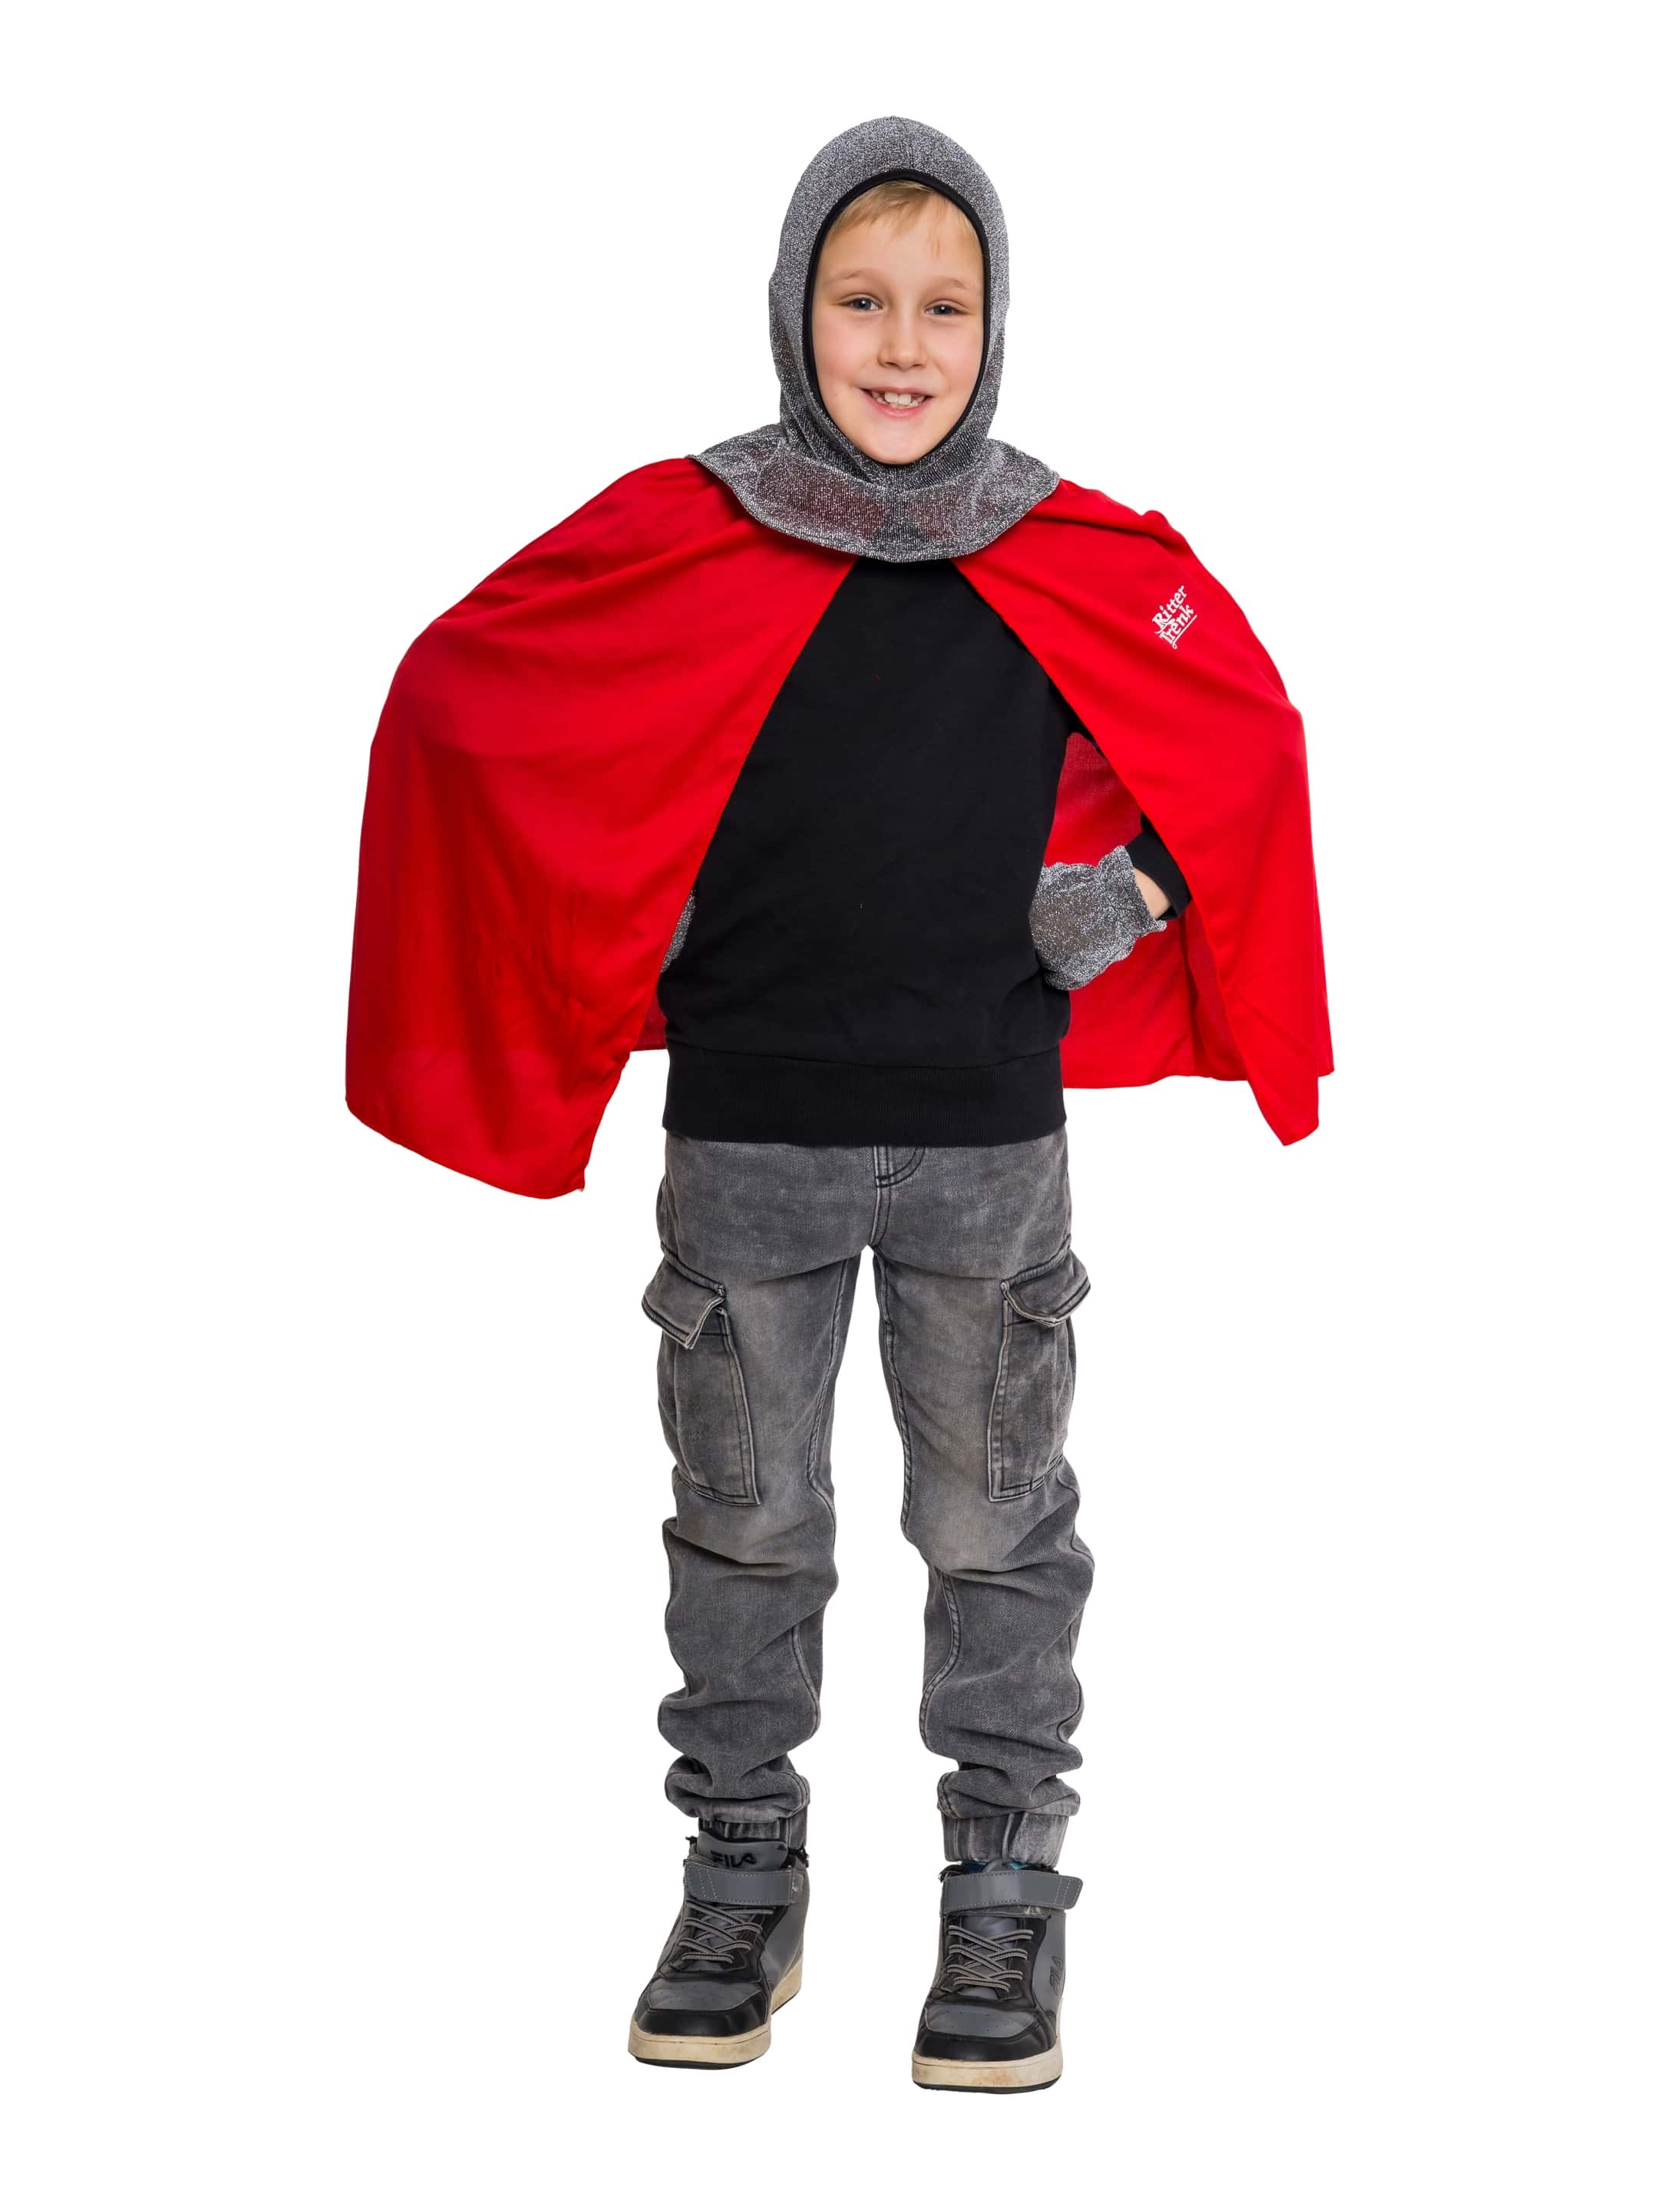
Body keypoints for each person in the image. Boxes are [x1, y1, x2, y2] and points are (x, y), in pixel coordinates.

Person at [345, 117, 1331, 2093]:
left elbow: (1245, 744)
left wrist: (1124, 896)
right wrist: (636, 891)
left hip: (985, 1141)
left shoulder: (1070, 555)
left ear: (996, 327)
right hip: (749, 1139)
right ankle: (744, 1866)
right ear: (796, 311)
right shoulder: (684, 529)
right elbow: (469, 694)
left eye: (945, 307)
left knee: (997, 1522)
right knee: (745, 1522)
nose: (902, 344)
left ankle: (1004, 1880)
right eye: (861, 301)